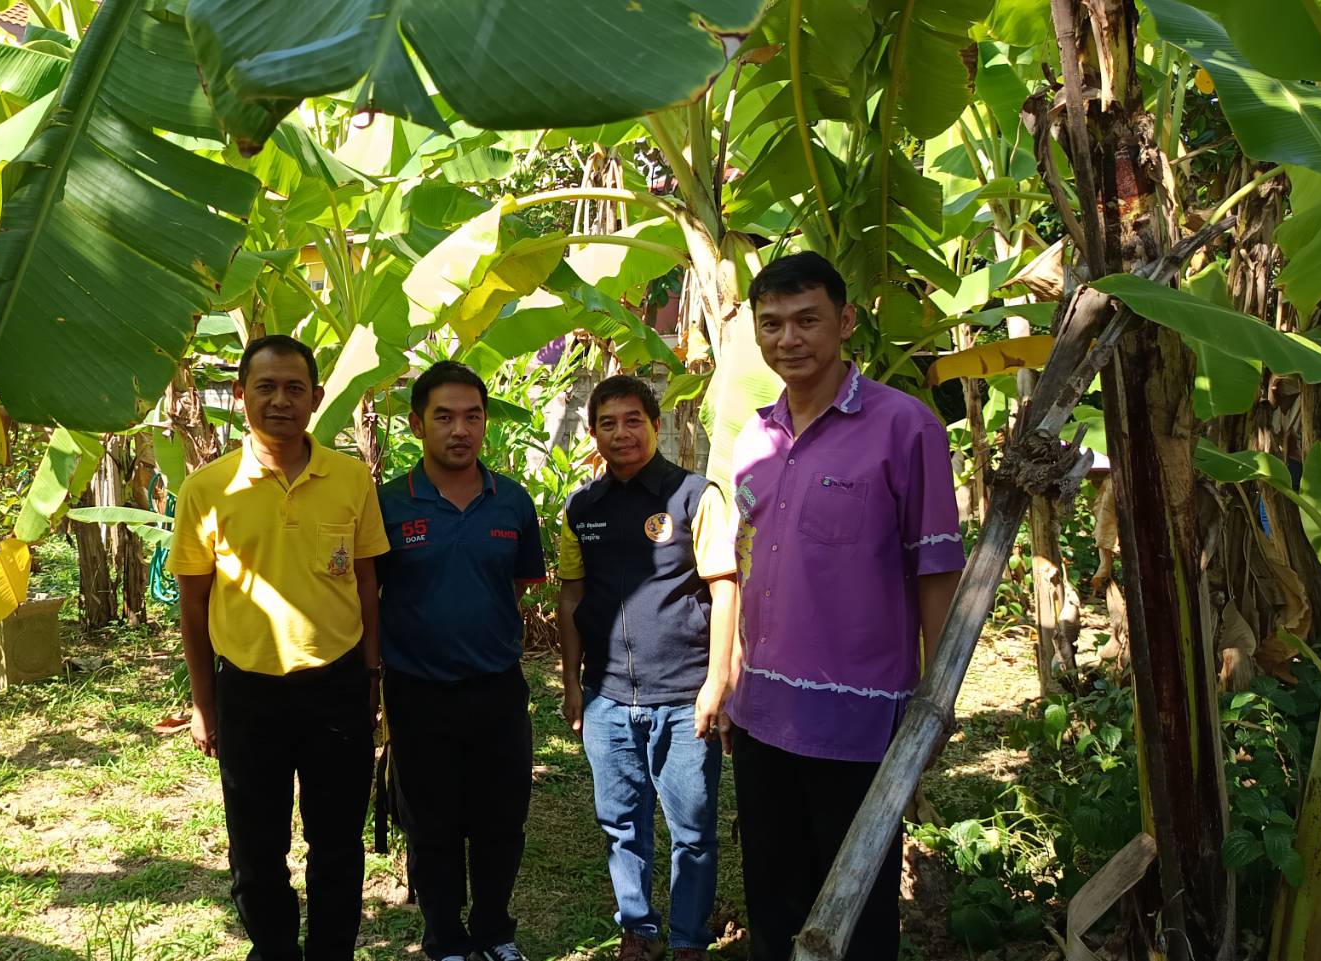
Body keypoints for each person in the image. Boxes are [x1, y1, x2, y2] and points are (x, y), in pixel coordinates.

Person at [724, 252, 965, 961]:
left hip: (857, 723)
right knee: (773, 900)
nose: (788, 339)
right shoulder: (754, 437)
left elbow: (936, 570)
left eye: (807, 320)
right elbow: (746, 565)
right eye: (771, 324)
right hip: (761, 715)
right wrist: (731, 677)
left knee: (856, 908)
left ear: (846, 320)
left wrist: (937, 700)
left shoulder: (906, 428)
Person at [169, 334, 389, 961]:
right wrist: (203, 704)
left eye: (295, 388)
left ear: (316, 398)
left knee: (337, 843)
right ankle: (273, 950)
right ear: (241, 396)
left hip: (337, 687)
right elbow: (194, 605)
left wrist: (371, 677)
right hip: (248, 691)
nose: (281, 401)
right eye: (265, 387)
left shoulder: (350, 478)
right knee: (256, 848)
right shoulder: (208, 489)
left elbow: (368, 585)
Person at [556, 375, 738, 961]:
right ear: (593, 433)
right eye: (607, 423)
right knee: (620, 824)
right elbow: (571, 596)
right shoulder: (582, 508)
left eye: (633, 420)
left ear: (655, 425)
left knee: (693, 830)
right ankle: (638, 929)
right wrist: (572, 683)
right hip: (607, 698)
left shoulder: (694, 497)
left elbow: (725, 588)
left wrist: (717, 682)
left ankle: (687, 939)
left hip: (684, 695)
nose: (621, 433)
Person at [374, 361, 547, 961]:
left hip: (497, 689)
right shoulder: (389, 503)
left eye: (472, 417)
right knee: (432, 823)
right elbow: (371, 592)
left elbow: (516, 585)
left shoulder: (512, 502)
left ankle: (495, 931)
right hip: (417, 691)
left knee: (502, 820)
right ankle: (445, 938)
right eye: (444, 417)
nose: (460, 430)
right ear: (417, 424)